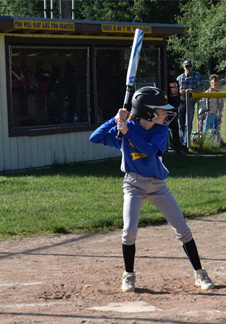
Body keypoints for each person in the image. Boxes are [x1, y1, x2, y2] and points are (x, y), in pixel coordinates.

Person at [89, 86, 216, 293]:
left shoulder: (160, 130)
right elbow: (95, 137)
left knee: (182, 229)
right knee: (129, 231)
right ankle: (128, 275)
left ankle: (200, 274)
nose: (165, 113)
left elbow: (150, 152)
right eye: (162, 110)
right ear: (149, 111)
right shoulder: (126, 127)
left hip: (158, 186)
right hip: (132, 185)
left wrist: (128, 133)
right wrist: (114, 119)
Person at [176, 60, 204, 148]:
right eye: (186, 66)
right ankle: (181, 143)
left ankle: (186, 143)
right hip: (181, 102)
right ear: (183, 67)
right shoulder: (179, 78)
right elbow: (176, 90)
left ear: (192, 67)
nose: (188, 68)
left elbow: (199, 89)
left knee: (188, 124)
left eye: (189, 66)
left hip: (191, 103)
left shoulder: (197, 75)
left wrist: (190, 91)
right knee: (181, 124)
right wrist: (180, 91)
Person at [198, 74, 226, 146]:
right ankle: (202, 143)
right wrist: (205, 112)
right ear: (211, 84)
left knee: (216, 129)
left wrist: (219, 112)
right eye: (214, 84)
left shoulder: (219, 94)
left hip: (216, 114)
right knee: (206, 129)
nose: (216, 86)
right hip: (206, 115)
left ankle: (220, 143)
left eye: (217, 84)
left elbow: (221, 105)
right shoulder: (207, 93)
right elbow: (203, 105)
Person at [165, 63, 186, 153]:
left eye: (173, 70)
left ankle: (175, 143)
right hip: (169, 107)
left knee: (175, 126)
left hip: (176, 106)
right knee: (173, 126)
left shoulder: (175, 81)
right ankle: (175, 144)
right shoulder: (165, 81)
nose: (173, 72)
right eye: (171, 70)